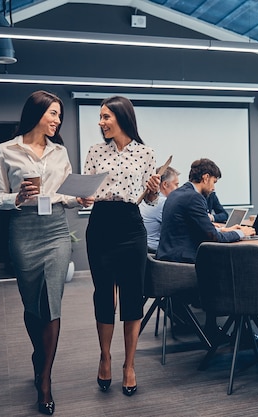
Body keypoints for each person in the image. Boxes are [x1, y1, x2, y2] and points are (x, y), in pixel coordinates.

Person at [0, 90, 93, 416]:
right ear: (37, 113)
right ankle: (39, 354)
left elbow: (65, 194)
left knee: (52, 302)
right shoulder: (5, 151)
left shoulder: (60, 152)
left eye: (60, 115)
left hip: (57, 231)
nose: (58, 120)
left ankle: (44, 379)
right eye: (53, 114)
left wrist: (82, 199)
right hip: (24, 230)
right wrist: (15, 199)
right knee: (32, 303)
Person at [83, 96, 161, 397]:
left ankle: (129, 365)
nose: (101, 123)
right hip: (101, 222)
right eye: (100, 118)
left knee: (132, 295)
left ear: (121, 117)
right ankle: (105, 357)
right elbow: (86, 191)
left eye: (106, 117)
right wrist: (82, 198)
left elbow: (149, 199)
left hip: (131, 224)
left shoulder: (145, 153)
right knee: (104, 294)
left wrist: (153, 192)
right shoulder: (94, 151)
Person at [156, 158, 254, 336]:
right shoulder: (194, 198)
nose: (214, 188)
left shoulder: (179, 193)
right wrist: (242, 233)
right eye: (214, 182)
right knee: (234, 272)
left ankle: (212, 326)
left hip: (167, 260)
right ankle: (234, 332)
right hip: (181, 264)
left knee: (219, 264)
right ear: (206, 177)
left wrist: (227, 229)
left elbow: (200, 229)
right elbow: (214, 238)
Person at [139, 166, 180, 252]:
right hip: (155, 252)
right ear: (165, 184)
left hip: (144, 249)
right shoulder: (163, 203)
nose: (178, 189)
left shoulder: (145, 200)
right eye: (176, 184)